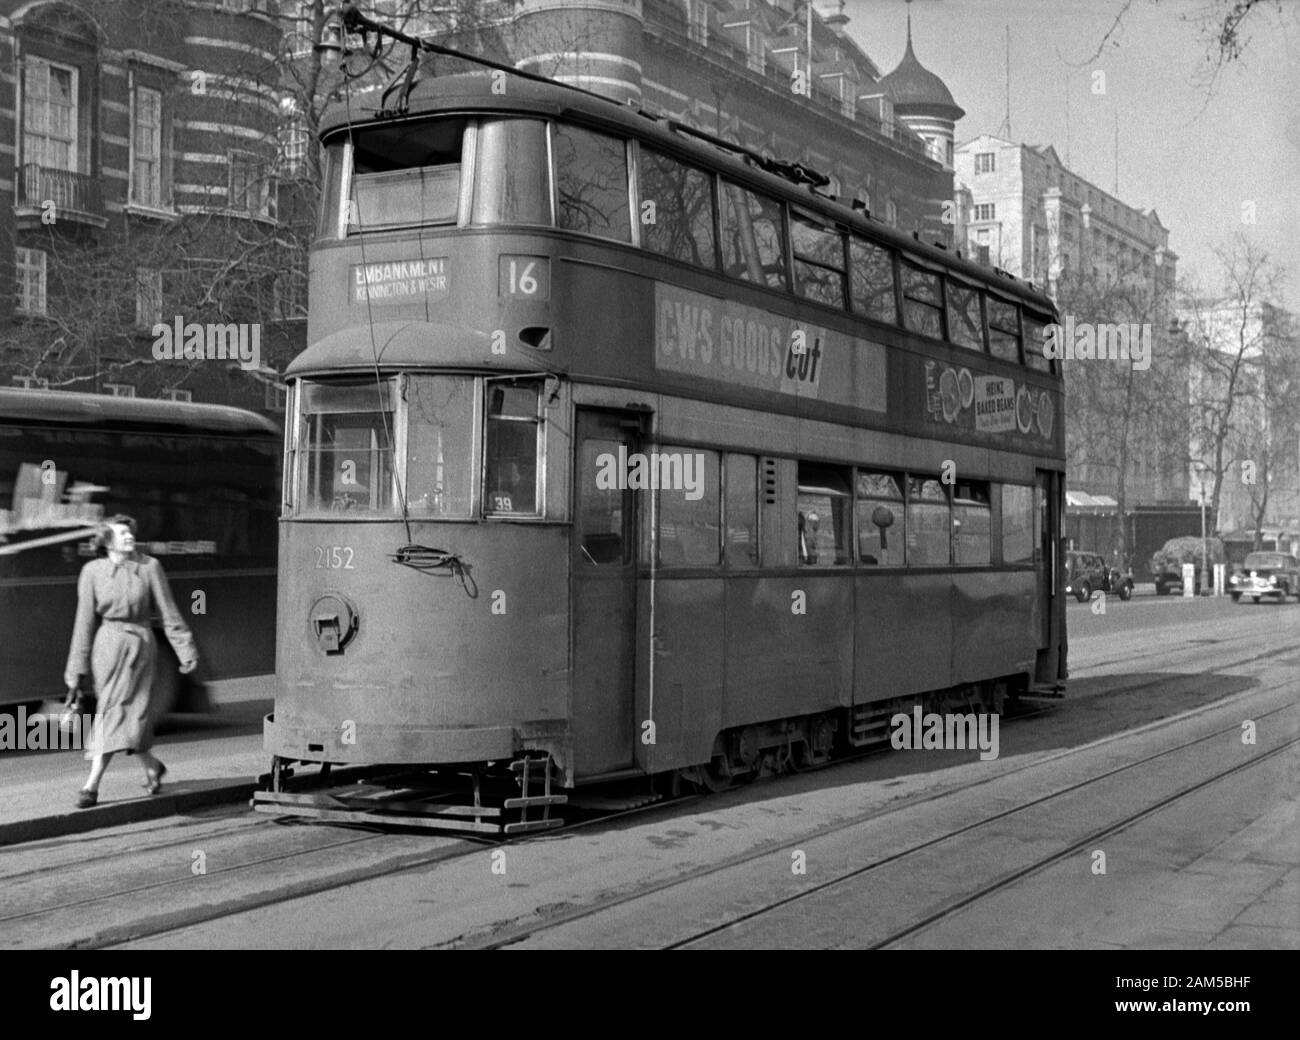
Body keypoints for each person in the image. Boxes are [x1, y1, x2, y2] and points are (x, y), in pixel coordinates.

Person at [64, 515, 199, 808]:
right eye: (122, 533)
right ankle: (152, 766)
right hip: (107, 648)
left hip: (140, 648)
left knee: (123, 713)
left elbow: (169, 612)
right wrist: (76, 670)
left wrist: (185, 649)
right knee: (118, 713)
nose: (129, 537)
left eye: (130, 533)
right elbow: (83, 622)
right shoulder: (91, 572)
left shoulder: (150, 567)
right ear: (107, 541)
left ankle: (91, 785)